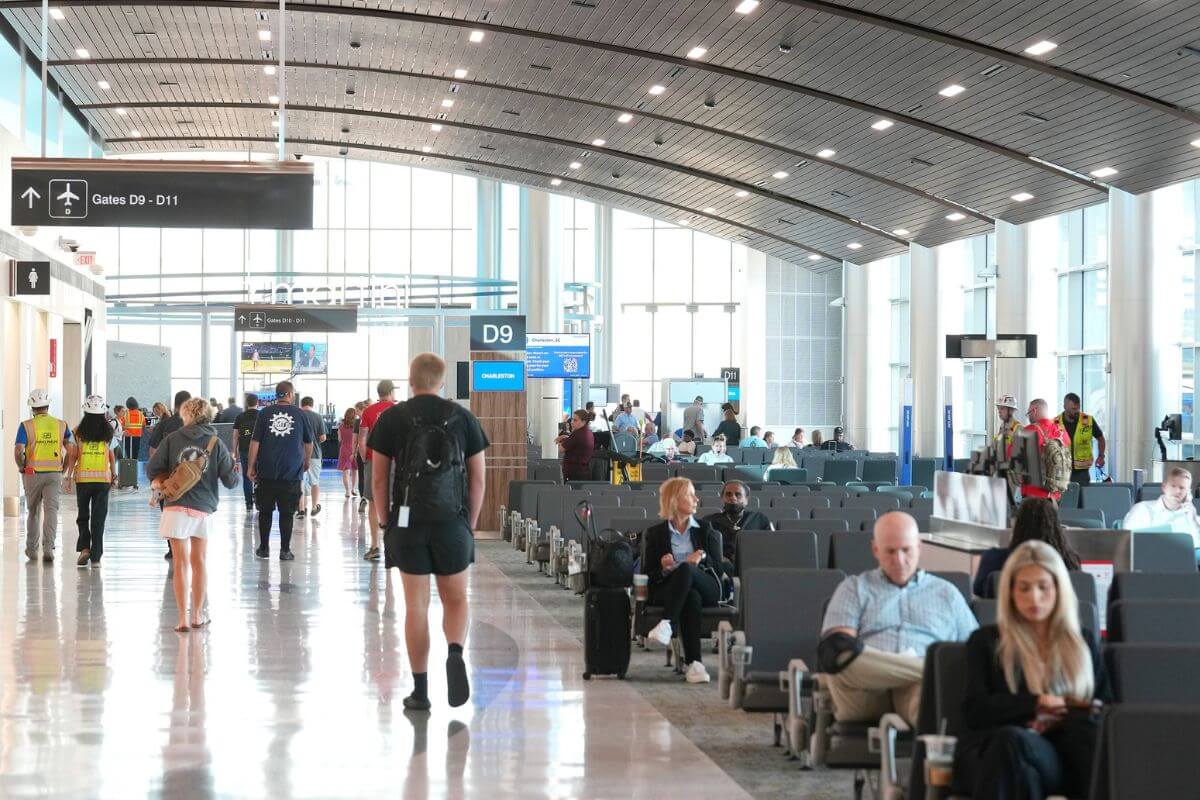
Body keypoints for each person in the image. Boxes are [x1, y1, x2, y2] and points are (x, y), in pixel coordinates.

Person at [369, 353, 488, 711]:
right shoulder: (463, 418)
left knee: (416, 605)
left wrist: (385, 521)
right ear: (442, 380)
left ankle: (420, 691)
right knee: (456, 599)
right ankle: (454, 652)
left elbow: (378, 479)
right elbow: (479, 480)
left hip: (408, 521)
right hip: (452, 521)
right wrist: (469, 524)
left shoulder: (392, 418)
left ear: (410, 379)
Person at [955, 541, 1108, 800]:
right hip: (1001, 749)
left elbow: (1107, 707)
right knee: (1013, 750)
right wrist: (1036, 704)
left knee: (1086, 733)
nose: (1034, 598)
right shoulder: (987, 641)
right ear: (1010, 593)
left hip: (1066, 753)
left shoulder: (1082, 642)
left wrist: (1062, 715)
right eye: (1024, 589)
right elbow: (976, 710)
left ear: (1058, 590)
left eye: (1043, 588)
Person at [820, 512, 977, 725]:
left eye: (906, 550)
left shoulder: (947, 594)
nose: (899, 560)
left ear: (919, 547)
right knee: (839, 656)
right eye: (890, 551)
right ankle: (931, 668)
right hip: (865, 691)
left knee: (932, 696)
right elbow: (838, 648)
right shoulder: (854, 588)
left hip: (919, 689)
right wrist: (931, 668)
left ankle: (929, 675)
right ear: (875, 549)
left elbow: (973, 650)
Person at [147, 397, 238, 632]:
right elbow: (230, 480)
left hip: (175, 505)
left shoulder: (172, 438)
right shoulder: (216, 442)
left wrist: (163, 480)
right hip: (203, 508)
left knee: (181, 563)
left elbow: (152, 469)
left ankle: (182, 619)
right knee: (199, 561)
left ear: (186, 415)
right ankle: (197, 615)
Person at [643, 477, 726, 683]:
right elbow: (648, 575)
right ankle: (694, 664)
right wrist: (664, 569)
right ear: (675, 499)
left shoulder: (706, 530)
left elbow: (719, 568)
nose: (696, 499)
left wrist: (701, 557)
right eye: (690, 495)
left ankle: (667, 622)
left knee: (688, 570)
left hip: (707, 585)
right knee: (691, 597)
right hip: (671, 590)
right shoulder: (655, 534)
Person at [247, 381, 313, 561]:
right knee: (287, 512)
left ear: (277, 395)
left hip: (266, 471)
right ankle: (285, 550)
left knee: (265, 511)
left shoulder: (265, 413)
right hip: (291, 472)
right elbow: (309, 442)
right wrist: (306, 461)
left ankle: (264, 548)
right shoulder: (300, 414)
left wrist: (251, 466)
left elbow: (255, 442)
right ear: (291, 394)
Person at [973, 498, 1081, 598]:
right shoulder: (1069, 561)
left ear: (1018, 526)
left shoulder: (993, 558)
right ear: (1056, 526)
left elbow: (979, 591)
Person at [13, 389, 70, 563]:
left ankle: (31, 549)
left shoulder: (26, 425)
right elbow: (72, 448)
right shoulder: (61, 424)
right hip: (54, 473)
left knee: (33, 511)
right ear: (47, 405)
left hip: (32, 474)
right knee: (51, 510)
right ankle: (48, 547)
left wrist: (22, 467)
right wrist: (63, 467)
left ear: (32, 407)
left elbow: (18, 450)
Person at [64, 395, 117, 568]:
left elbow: (72, 454)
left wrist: (69, 476)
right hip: (103, 480)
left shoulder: (77, 431)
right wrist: (114, 474)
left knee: (83, 516)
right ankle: (96, 558)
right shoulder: (109, 431)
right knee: (99, 517)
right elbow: (111, 454)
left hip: (83, 480)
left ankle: (85, 548)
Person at [1124, 467, 1200, 566]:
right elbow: (1128, 542)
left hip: (1182, 566)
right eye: (1173, 486)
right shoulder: (1142, 509)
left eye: (1182, 488)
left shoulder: (1191, 516)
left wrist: (1193, 519)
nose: (1177, 491)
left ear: (1188, 492)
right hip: (1147, 564)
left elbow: (1196, 547)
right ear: (1164, 487)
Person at [149, 390, 192, 560]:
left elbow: (153, 450)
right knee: (190, 511)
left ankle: (172, 548)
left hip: (167, 476)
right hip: (190, 477)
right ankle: (185, 545)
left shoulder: (164, 424)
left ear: (174, 404)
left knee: (168, 511)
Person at [359, 380, 398, 561]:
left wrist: (365, 458)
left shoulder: (368, 411)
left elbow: (362, 439)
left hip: (373, 460)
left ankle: (375, 546)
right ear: (390, 391)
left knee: (374, 504)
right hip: (395, 461)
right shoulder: (399, 410)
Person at [703, 480, 773, 572]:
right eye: (728, 494)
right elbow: (703, 549)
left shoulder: (759, 519)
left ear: (746, 500)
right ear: (722, 498)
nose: (733, 498)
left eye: (738, 494)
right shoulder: (709, 521)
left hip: (753, 566)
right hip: (720, 567)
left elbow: (769, 547)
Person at [1013, 399, 1071, 502]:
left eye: (1028, 413)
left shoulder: (1028, 430)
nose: (1029, 417)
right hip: (1056, 495)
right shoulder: (1062, 432)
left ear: (1034, 410)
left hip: (1033, 496)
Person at [1055, 393, 1106, 486]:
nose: (1077, 411)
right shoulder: (1055, 423)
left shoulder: (1088, 420)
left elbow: (1101, 438)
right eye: (1073, 409)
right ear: (1065, 406)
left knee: (1082, 498)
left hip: (1082, 472)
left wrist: (1101, 456)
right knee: (1064, 499)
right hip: (1061, 471)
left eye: (1078, 408)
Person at [297, 396, 327, 518]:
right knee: (315, 481)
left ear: (301, 404)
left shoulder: (297, 416)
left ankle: (301, 510)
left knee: (300, 482)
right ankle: (314, 506)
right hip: (315, 454)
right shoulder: (318, 417)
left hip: (298, 455)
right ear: (312, 404)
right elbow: (323, 437)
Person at [231, 393, 260, 511]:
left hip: (244, 450)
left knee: (246, 476)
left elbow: (235, 436)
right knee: (260, 475)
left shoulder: (240, 417)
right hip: (259, 451)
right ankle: (259, 501)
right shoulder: (261, 415)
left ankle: (248, 503)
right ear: (257, 403)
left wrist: (234, 451)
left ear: (247, 404)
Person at [556, 409, 595, 481]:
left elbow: (561, 449)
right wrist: (567, 437)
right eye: (572, 419)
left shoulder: (577, 434)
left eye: (575, 420)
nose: (571, 422)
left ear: (583, 422)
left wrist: (557, 443)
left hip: (574, 473)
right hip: (584, 471)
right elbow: (578, 444)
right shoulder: (589, 432)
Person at [337, 407, 360, 498]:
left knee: (345, 472)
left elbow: (339, 439)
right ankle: (353, 489)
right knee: (355, 471)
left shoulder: (341, 426)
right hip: (355, 450)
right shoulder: (357, 426)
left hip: (344, 449)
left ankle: (347, 491)